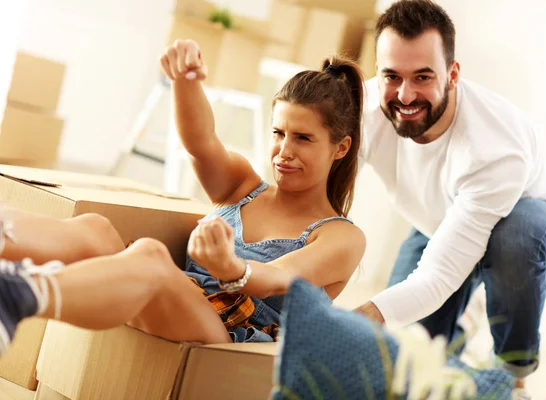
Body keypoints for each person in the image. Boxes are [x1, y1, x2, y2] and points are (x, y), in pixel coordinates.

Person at [0, 39, 366, 355]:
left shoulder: (341, 237)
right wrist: (185, 79)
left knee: (150, 256)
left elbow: (277, 277)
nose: (283, 151)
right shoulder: (244, 186)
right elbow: (201, 143)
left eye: (302, 138)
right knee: (96, 230)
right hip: (178, 297)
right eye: (278, 133)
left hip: (232, 339)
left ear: (340, 148)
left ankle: (18, 296)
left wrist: (232, 268)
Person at [353, 0, 546, 393]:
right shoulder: (364, 108)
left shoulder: (494, 146)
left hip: (532, 219)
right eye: (392, 76)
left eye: (423, 77)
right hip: (441, 224)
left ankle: (512, 374)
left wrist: (358, 317)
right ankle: (465, 318)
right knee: (407, 357)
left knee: (511, 242)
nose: (404, 95)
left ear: (452, 74)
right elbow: (324, 199)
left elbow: (438, 276)